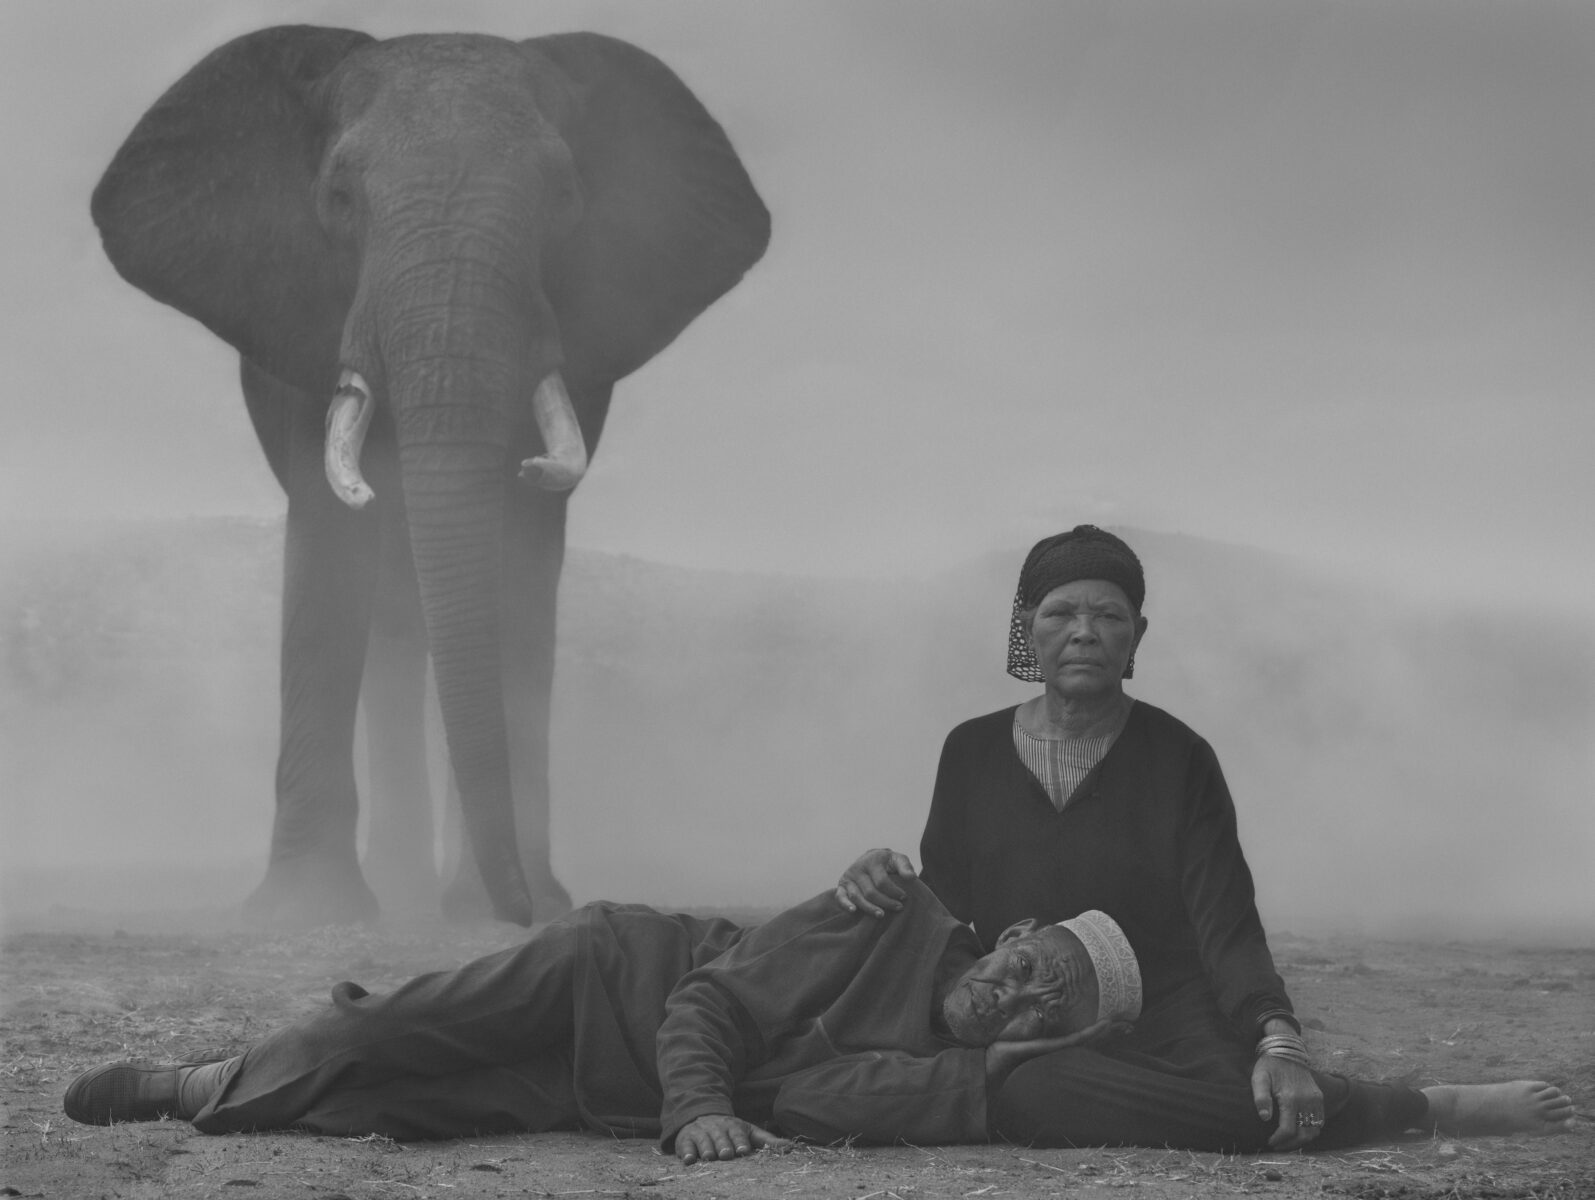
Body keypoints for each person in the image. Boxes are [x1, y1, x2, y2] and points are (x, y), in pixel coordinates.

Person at [837, 525, 1576, 1152]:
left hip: (1168, 1006)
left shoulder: (1177, 755)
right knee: (1037, 1092)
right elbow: (946, 906)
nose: (1085, 632)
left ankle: (1423, 1107)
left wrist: (1278, 1041)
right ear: (1026, 626)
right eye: (1061, 613)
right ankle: (1393, 1110)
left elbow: (1224, 922)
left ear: (1137, 635)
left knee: (1258, 1094)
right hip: (1035, 1012)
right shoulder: (970, 750)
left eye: (1109, 616)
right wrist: (882, 875)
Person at [63, 878, 1141, 1163]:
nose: (1018, 989)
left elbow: (805, 1099)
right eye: (1026, 961)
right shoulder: (887, 911)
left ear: (1050, 1038)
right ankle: (195, 1082)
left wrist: (696, 1107)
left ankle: (236, 1090)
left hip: (608, 1096)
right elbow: (710, 1002)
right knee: (371, 1039)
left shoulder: (940, 1083)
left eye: (1051, 1004)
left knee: (386, 1112)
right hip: (608, 978)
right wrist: (701, 1110)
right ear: (1016, 929)